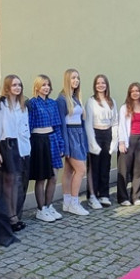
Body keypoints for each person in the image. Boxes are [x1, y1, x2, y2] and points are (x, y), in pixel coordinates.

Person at [0, 74, 31, 241]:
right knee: (8, 182)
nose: (17, 88)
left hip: (20, 146)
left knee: (16, 183)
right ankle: (8, 216)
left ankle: (14, 215)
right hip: (6, 146)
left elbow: (24, 129)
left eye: (19, 85)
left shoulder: (22, 105)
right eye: (14, 85)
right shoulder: (1, 106)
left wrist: (26, 149)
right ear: (7, 87)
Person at [24, 74, 65, 223]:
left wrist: (61, 144)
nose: (46, 87)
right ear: (37, 87)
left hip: (52, 139)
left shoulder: (53, 103)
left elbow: (57, 126)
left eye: (48, 85)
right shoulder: (32, 104)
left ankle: (48, 206)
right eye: (43, 85)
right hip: (39, 141)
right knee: (41, 178)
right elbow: (28, 125)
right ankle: (40, 210)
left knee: (53, 176)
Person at [56, 68, 90, 215]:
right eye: (73, 78)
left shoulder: (76, 98)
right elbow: (61, 123)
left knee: (69, 170)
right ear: (67, 80)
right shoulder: (62, 99)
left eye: (78, 78)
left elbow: (81, 121)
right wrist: (65, 146)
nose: (76, 81)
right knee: (81, 170)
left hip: (78, 134)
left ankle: (67, 202)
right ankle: (75, 203)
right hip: (69, 135)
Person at [117, 82, 140, 205]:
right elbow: (121, 126)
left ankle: (137, 196)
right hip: (128, 140)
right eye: (132, 91)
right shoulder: (124, 107)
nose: (135, 93)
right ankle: (123, 197)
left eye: (137, 91)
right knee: (124, 170)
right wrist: (121, 142)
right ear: (129, 93)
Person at [85, 74, 118, 208]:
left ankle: (104, 194)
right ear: (95, 85)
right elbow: (88, 123)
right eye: (98, 83)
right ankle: (92, 195)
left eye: (103, 83)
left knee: (105, 166)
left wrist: (114, 140)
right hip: (95, 133)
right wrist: (92, 141)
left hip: (107, 134)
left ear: (107, 85)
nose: (100, 85)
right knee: (94, 167)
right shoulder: (91, 101)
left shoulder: (112, 101)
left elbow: (115, 121)